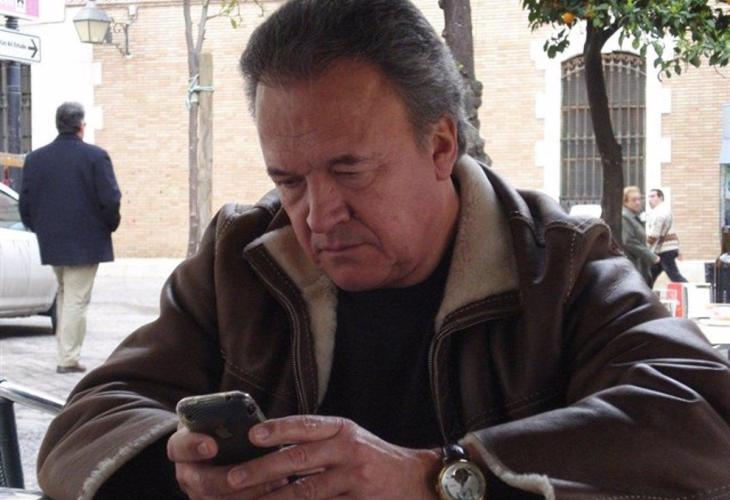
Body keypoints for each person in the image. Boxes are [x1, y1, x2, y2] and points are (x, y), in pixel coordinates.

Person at [37, 1, 730, 498]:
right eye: (288, 179)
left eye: (350, 170)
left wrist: (441, 476)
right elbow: (88, 421)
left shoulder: (560, 266)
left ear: (441, 144)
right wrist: (186, 470)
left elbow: (705, 414)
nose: (317, 216)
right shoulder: (241, 257)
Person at [19, 102, 121, 374]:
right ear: (81, 126)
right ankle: (67, 358)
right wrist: (109, 226)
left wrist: (39, 228)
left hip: (52, 240)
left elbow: (25, 203)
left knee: (65, 293)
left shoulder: (36, 158)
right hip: (87, 241)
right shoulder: (95, 157)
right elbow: (110, 199)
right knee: (76, 299)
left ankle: (65, 352)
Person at [647, 188, 688, 285]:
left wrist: (646, 247)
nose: (650, 199)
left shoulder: (659, 212)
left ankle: (691, 290)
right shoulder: (664, 210)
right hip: (665, 249)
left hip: (665, 250)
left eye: (653, 196)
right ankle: (643, 292)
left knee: (674, 276)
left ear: (661, 198)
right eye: (649, 196)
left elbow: (655, 233)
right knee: (650, 276)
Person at [620, 186, 658, 286]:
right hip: (632, 265)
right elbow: (629, 241)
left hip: (639, 265)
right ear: (625, 202)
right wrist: (650, 256)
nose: (637, 202)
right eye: (633, 200)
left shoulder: (633, 217)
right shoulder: (624, 217)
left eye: (639, 199)